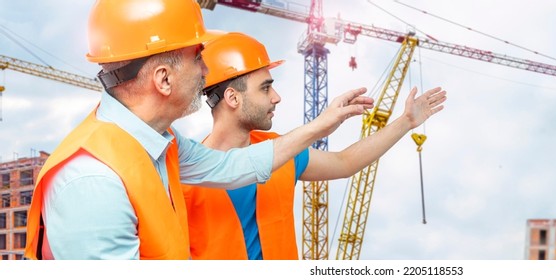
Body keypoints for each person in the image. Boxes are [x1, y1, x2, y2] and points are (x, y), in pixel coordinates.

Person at [24, 0, 373, 260]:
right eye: (198, 58)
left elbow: (234, 166)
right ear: (163, 79)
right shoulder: (92, 181)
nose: (207, 72)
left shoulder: (162, 144)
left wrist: (322, 124)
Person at [183, 32, 447, 260]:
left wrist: (406, 122)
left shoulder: (279, 150)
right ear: (232, 97)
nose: (276, 97)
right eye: (265, 89)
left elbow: (345, 162)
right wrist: (321, 125)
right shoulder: (184, 175)